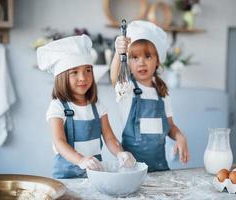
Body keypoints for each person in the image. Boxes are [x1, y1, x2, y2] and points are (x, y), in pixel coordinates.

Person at [37, 35, 136, 178]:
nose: (83, 77)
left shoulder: (97, 106)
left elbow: (109, 138)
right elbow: (59, 142)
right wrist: (81, 160)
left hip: (95, 176)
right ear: (61, 77)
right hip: (67, 178)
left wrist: (120, 153)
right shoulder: (58, 107)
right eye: (74, 72)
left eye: (88, 70)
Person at [110, 20, 189, 172]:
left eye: (148, 56)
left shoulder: (162, 91)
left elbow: (170, 126)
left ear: (157, 61)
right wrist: (118, 53)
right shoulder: (128, 88)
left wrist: (180, 137)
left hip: (160, 169)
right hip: (131, 171)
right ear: (127, 62)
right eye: (135, 57)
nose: (142, 63)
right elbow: (115, 77)